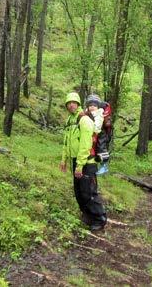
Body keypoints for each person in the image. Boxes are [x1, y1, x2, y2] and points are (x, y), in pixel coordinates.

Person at [60, 92, 107, 231]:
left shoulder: (84, 119)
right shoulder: (70, 121)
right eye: (68, 103)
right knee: (79, 192)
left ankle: (100, 219)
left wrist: (80, 165)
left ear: (79, 104)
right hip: (76, 161)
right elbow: (66, 142)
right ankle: (87, 216)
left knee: (89, 193)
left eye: (73, 102)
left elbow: (86, 145)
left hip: (87, 162)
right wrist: (64, 159)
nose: (71, 105)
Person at [84, 94, 112, 175]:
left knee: (101, 148)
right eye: (90, 105)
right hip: (92, 133)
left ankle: (104, 165)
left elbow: (97, 126)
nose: (92, 107)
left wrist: (91, 130)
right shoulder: (87, 113)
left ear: (98, 106)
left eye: (94, 105)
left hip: (100, 133)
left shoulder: (99, 114)